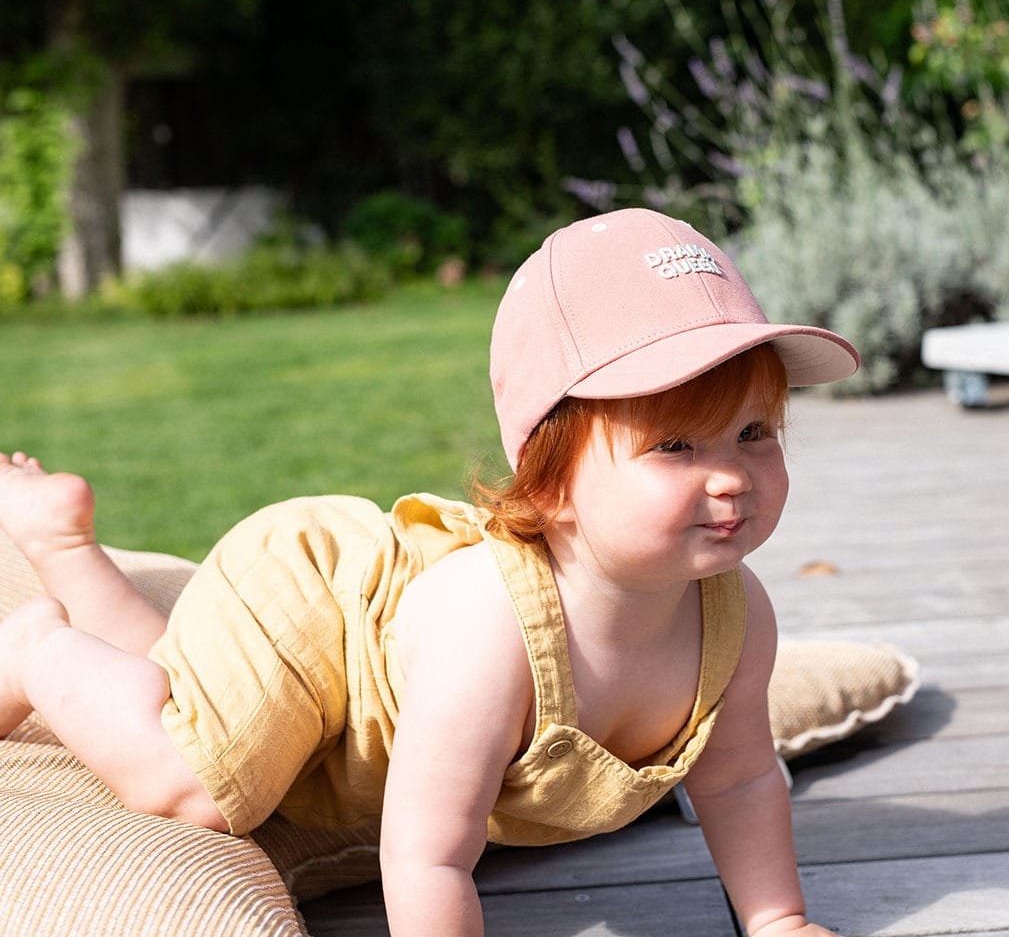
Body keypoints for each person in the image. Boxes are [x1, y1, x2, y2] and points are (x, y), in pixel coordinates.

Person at [0, 208, 858, 937]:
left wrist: (778, 921)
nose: (731, 476)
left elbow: (739, 778)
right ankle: (35, 645)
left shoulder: (736, 616)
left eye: (755, 433)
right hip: (317, 607)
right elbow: (427, 851)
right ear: (550, 485)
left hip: (357, 681)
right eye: (675, 446)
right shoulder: (493, 629)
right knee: (201, 783)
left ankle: (66, 551)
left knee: (182, 683)